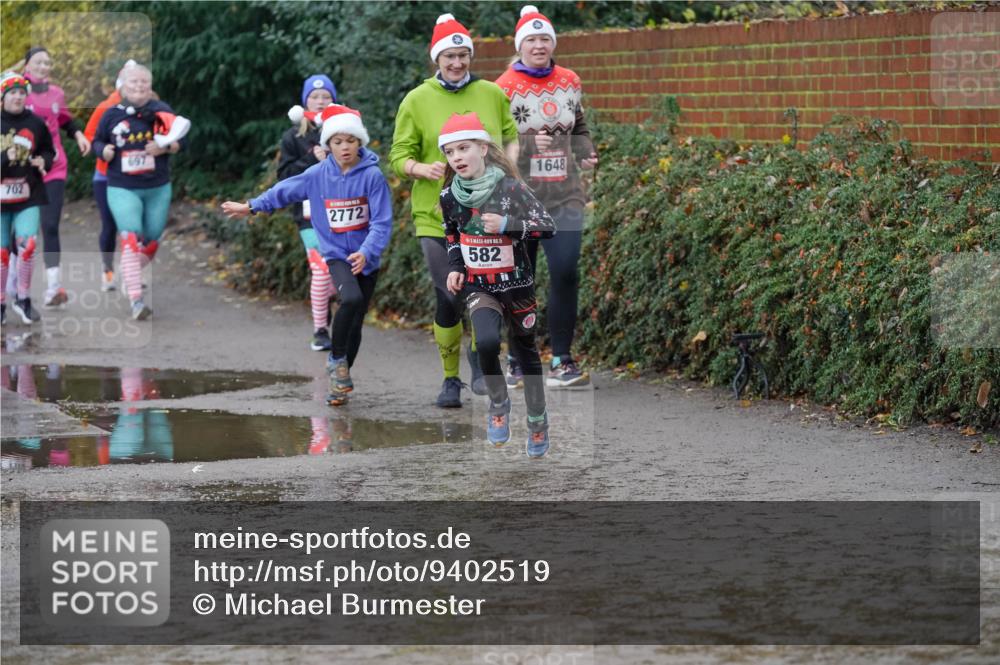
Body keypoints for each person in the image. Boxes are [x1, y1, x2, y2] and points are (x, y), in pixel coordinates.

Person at [389, 13, 520, 408]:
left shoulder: (492, 94)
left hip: (488, 214)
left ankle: (481, 362)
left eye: (463, 55)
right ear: (437, 59)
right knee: (449, 294)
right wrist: (419, 168)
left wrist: (511, 174)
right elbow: (397, 155)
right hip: (436, 214)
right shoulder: (417, 99)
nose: (458, 63)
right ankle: (450, 380)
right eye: (450, 56)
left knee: (487, 290)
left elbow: (511, 137)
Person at [222, 105, 393, 406]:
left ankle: (340, 381)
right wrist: (251, 206)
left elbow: (381, 222)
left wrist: (367, 252)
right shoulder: (316, 175)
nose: (344, 147)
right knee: (349, 300)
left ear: (360, 142)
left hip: (367, 257)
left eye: (350, 141)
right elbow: (283, 190)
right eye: (337, 142)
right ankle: (336, 359)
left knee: (355, 322)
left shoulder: (373, 176)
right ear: (327, 145)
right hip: (337, 254)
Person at [439, 113, 555, 458]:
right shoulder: (449, 196)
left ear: (484, 148)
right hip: (480, 287)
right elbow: (451, 234)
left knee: (526, 353)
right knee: (486, 343)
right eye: (449, 152)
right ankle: (499, 403)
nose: (456, 157)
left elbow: (546, 226)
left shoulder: (512, 188)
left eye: (464, 148)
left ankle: (537, 421)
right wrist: (456, 266)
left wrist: (509, 224)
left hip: (517, 286)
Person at [496, 6, 599, 388]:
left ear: (552, 44)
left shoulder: (570, 80)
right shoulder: (502, 87)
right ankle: (518, 358)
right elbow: (492, 141)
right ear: (520, 46)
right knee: (520, 280)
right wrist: (525, 142)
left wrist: (585, 149)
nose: (539, 46)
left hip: (565, 195)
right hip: (521, 198)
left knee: (566, 270)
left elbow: (580, 122)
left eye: (545, 39)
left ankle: (562, 359)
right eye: (532, 40)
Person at [92, 63, 188, 320]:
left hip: (157, 186)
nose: (139, 86)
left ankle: (130, 269)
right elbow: (97, 141)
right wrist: (104, 151)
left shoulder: (161, 111)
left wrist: (166, 147)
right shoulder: (112, 114)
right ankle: (136, 300)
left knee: (153, 238)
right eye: (133, 82)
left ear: (150, 86)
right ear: (123, 86)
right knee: (131, 235)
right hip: (122, 186)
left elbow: (182, 139)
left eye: (143, 82)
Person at [20, 46, 91, 307]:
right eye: (38, 62)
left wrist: (80, 135)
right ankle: (16, 286)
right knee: (20, 233)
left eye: (47, 63)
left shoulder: (56, 93)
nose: (43, 67)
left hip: (54, 167)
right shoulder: (15, 91)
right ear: (27, 66)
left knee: (50, 225)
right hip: (20, 171)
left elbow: (65, 120)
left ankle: (53, 287)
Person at [281, 74, 339, 352]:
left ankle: (324, 302)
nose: (320, 101)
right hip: (306, 215)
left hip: (341, 214)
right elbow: (284, 176)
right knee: (320, 268)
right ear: (305, 101)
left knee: (337, 273)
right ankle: (320, 331)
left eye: (326, 97)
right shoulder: (293, 136)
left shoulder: (342, 132)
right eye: (315, 97)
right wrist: (310, 159)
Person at [1, 71, 55, 326]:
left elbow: (48, 149)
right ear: (2, 97)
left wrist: (43, 160)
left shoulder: (35, 122)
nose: (18, 97)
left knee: (28, 245)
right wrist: (4, 157)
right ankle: (1, 302)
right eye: (12, 92)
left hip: (28, 194)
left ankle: (23, 298)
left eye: (22, 93)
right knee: (2, 253)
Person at [83, 59, 136, 291]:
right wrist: (104, 150)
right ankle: (108, 272)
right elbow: (89, 136)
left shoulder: (147, 105)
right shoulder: (106, 106)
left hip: (135, 176)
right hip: (105, 176)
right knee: (110, 225)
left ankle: (131, 275)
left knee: (133, 226)